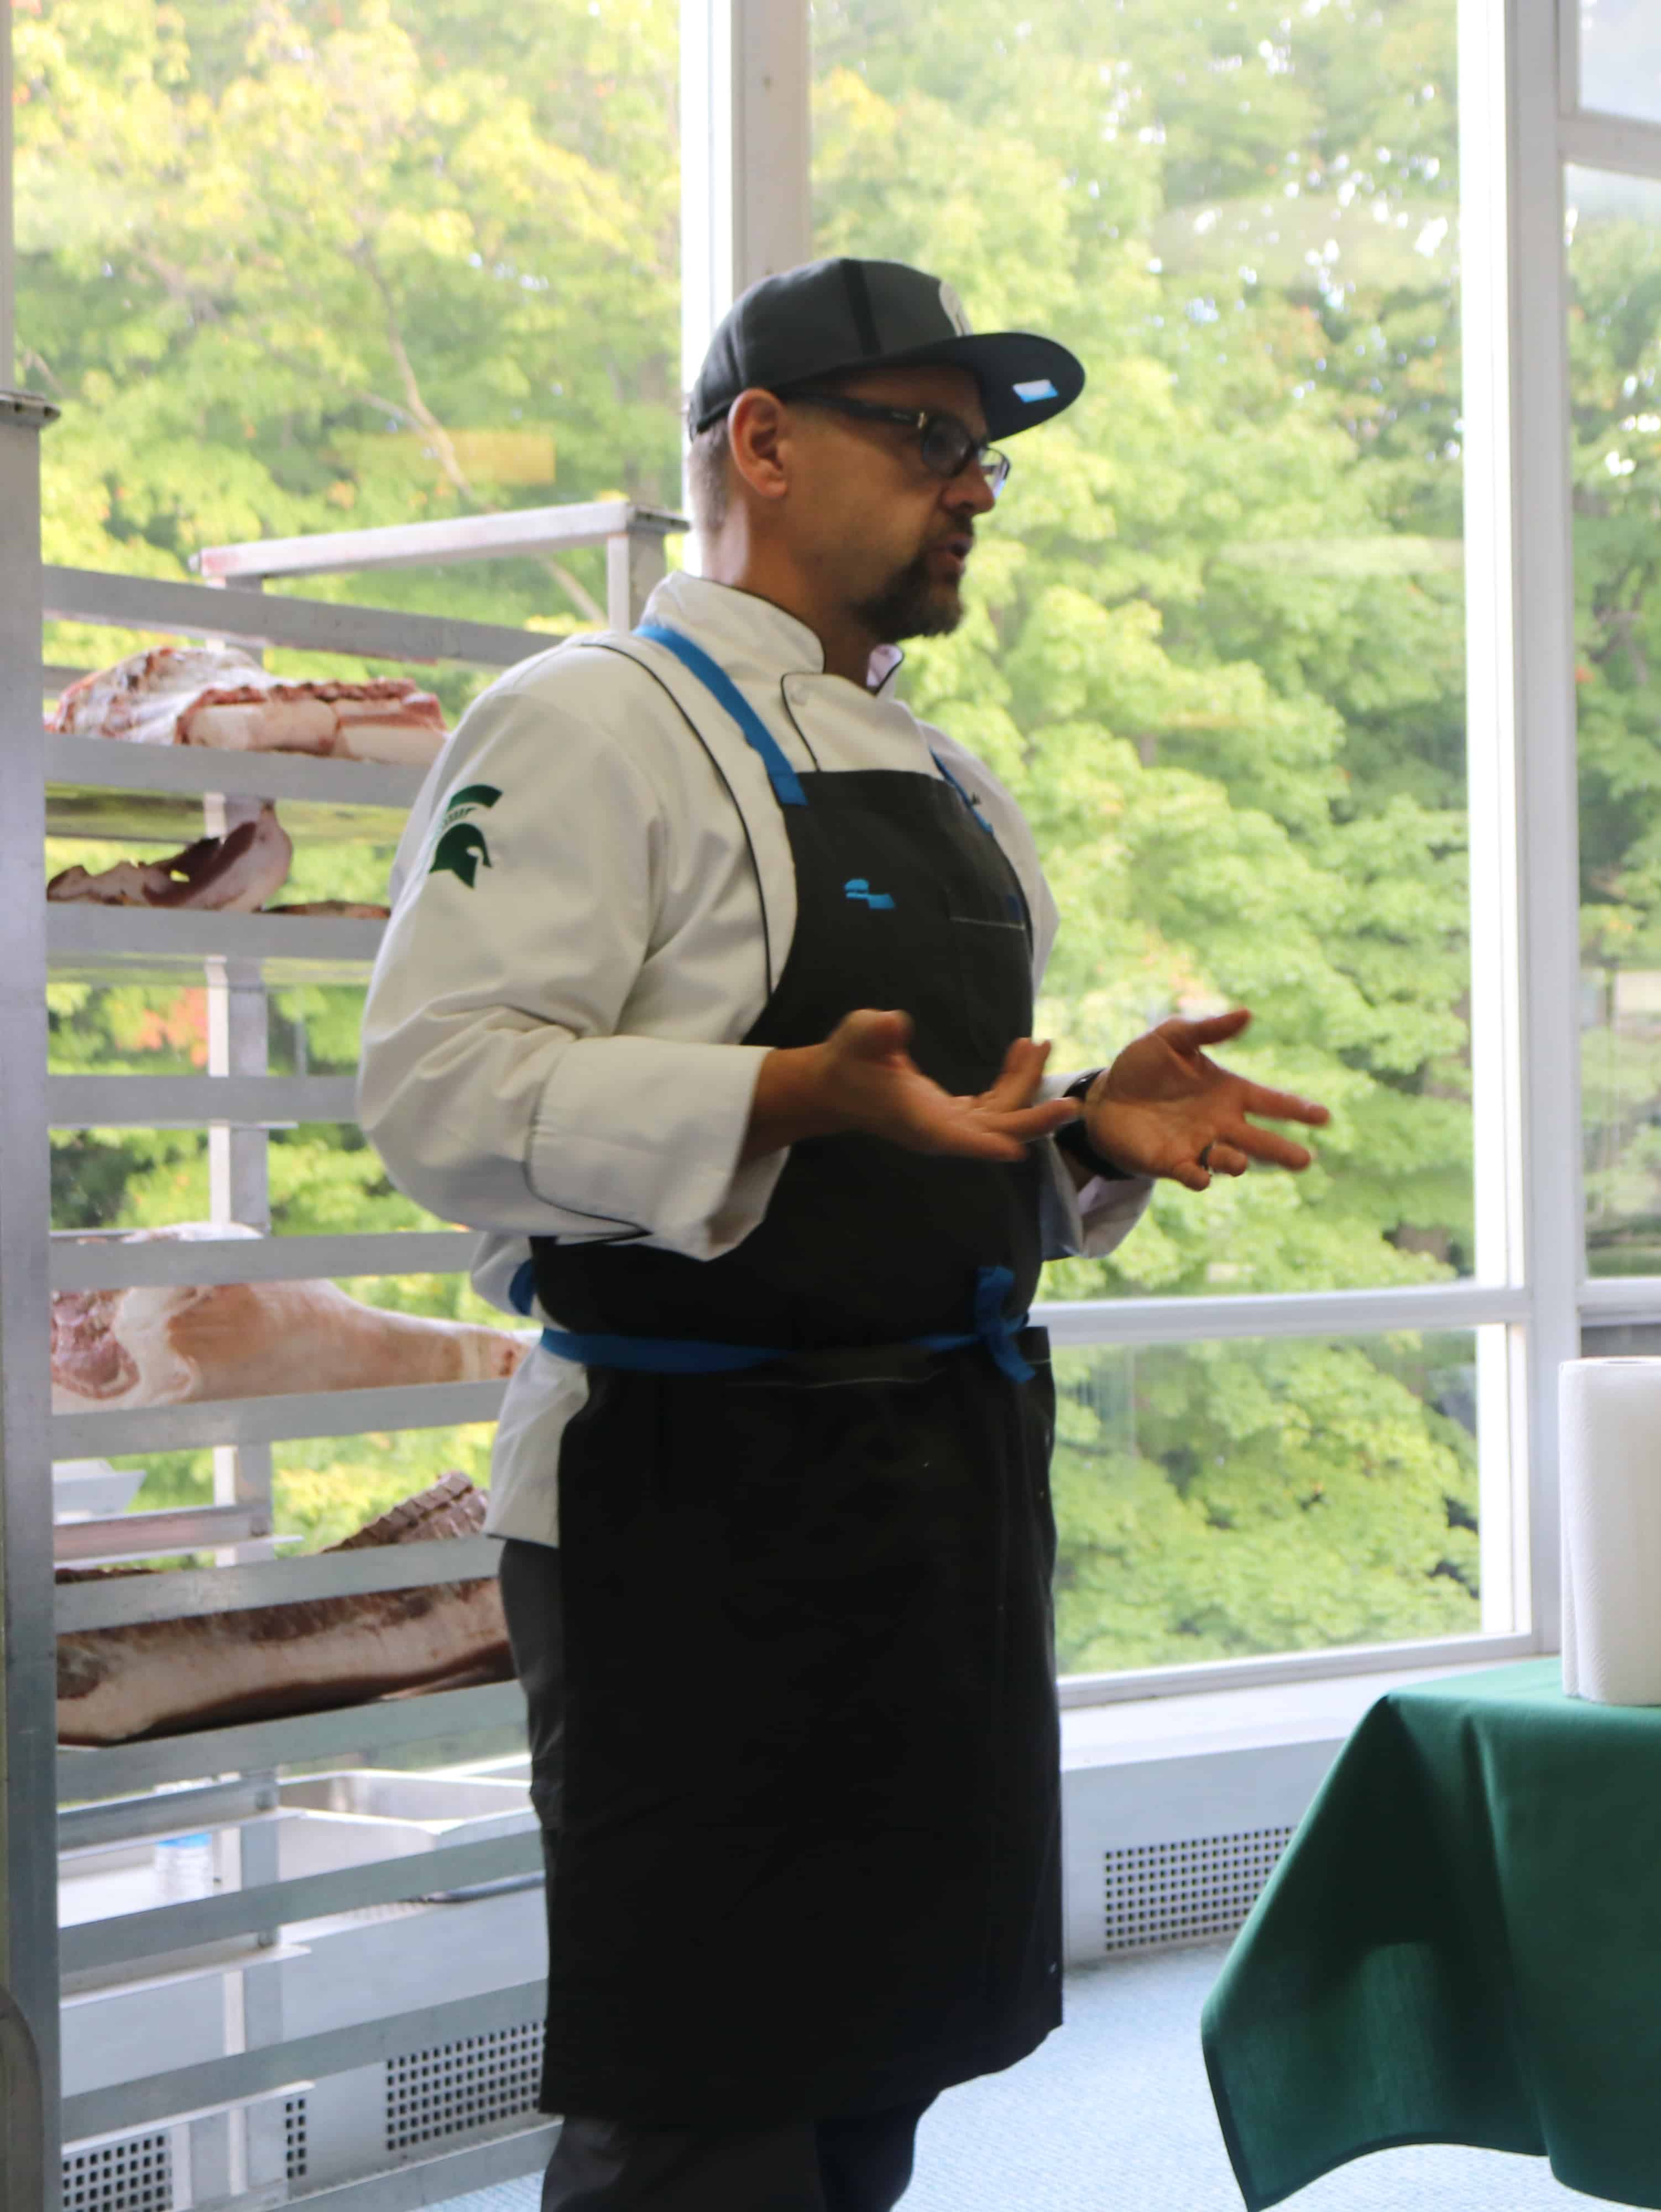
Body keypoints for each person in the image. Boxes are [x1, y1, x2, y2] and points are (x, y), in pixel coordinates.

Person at [358, 257, 1328, 2211]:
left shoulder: (956, 783)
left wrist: (1077, 1141)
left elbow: (930, 1150)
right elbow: (437, 1096)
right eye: (929, 439)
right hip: (681, 1502)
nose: (973, 487)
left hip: (935, 1488)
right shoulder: (580, 724)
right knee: (706, 2102)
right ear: (766, 447)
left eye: (984, 458)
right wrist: (774, 1093)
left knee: (884, 2063)